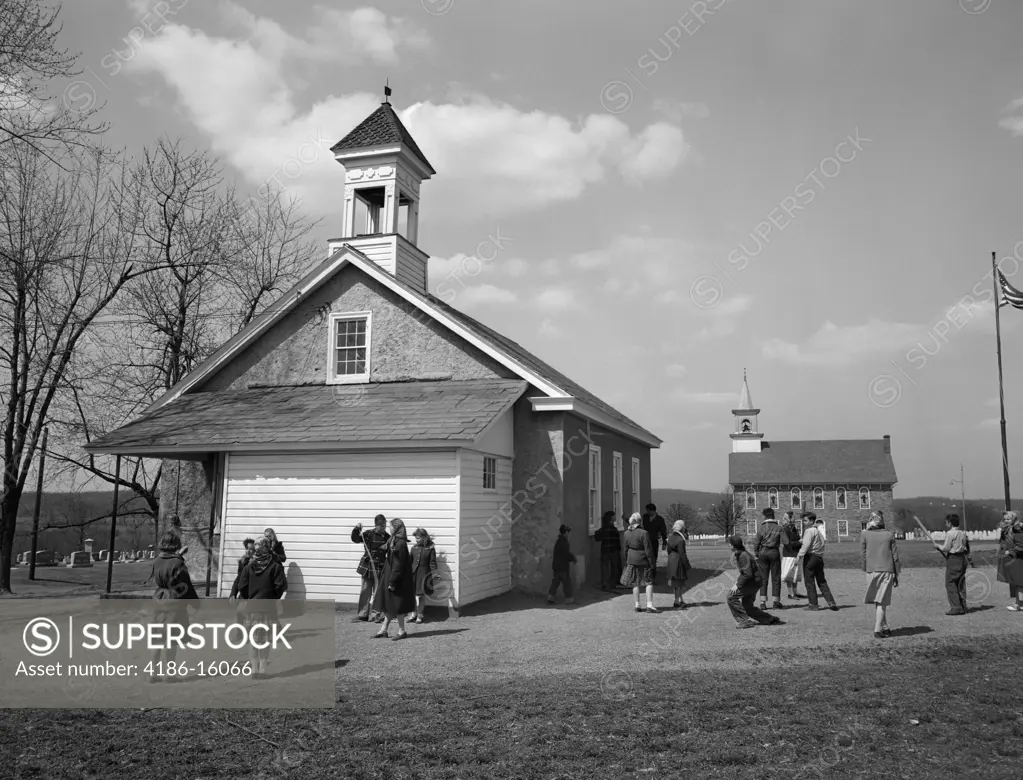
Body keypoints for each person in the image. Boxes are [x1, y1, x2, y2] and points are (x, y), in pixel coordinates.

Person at [149, 530, 199, 683]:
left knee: (157, 640)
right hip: (174, 601)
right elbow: (185, 584)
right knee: (171, 641)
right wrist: (194, 601)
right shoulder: (178, 563)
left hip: (159, 598)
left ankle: (154, 673)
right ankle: (169, 674)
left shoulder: (156, 560)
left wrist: (179, 556)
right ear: (175, 544)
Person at [238, 537, 288, 678]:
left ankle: (254, 670)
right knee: (265, 641)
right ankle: (262, 670)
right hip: (268, 608)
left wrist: (251, 597)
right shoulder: (275, 567)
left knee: (254, 640)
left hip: (252, 608)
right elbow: (280, 586)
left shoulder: (248, 567)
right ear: (268, 548)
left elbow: (242, 587)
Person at [372, 518, 416, 640]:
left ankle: (402, 631)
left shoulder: (400, 544)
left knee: (397, 605)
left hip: (397, 579)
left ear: (396, 528)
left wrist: (393, 581)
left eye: (391, 526)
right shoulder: (392, 540)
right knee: (389, 604)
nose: (389, 528)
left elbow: (399, 564)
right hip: (390, 575)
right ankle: (384, 629)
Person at [860, 511, 900, 638]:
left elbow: (863, 554)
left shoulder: (864, 534)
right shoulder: (889, 535)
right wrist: (896, 574)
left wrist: (865, 568)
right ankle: (877, 629)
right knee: (882, 600)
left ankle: (885, 626)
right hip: (887, 569)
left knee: (879, 600)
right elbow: (895, 557)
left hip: (871, 570)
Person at [727, 535, 780, 629]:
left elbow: (747, 574)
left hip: (752, 582)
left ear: (732, 546)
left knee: (731, 597)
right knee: (747, 606)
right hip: (755, 581)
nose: (728, 545)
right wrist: (737, 583)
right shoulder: (741, 553)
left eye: (729, 544)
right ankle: (769, 618)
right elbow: (745, 572)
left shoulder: (743, 555)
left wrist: (738, 585)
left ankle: (744, 621)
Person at [351, 515, 390, 623]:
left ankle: (376, 615)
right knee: (365, 590)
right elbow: (355, 539)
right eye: (381, 525)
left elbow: (391, 552)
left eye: (385, 525)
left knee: (377, 592)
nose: (383, 527)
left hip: (380, 567)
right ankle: (363, 614)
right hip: (368, 566)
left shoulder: (387, 537)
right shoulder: (368, 534)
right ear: (376, 525)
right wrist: (356, 529)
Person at [797, 513, 838, 611]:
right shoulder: (818, 532)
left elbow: (806, 545)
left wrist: (799, 556)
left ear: (812, 521)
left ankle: (813, 604)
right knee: (821, 581)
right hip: (819, 557)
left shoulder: (808, 531)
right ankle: (831, 602)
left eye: (805, 520)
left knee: (809, 581)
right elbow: (822, 543)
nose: (804, 522)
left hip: (810, 557)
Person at [621, 512, 658, 613]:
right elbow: (648, 550)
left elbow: (625, 548)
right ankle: (649, 605)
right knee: (648, 582)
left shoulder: (626, 533)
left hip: (631, 559)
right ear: (639, 521)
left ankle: (637, 605)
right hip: (643, 559)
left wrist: (627, 559)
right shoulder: (644, 533)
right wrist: (652, 563)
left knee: (635, 583)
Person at [935, 513, 970, 616]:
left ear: (950, 523)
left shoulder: (950, 533)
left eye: (946, 522)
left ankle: (956, 607)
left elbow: (946, 548)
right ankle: (963, 605)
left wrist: (938, 546)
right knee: (960, 582)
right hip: (962, 557)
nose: (945, 524)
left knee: (950, 582)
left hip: (954, 558)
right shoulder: (963, 533)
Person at [754, 507, 784, 611]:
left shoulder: (761, 528)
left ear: (764, 516)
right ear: (773, 515)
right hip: (774, 552)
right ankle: (776, 601)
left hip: (763, 552)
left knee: (763, 578)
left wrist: (756, 554)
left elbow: (756, 542)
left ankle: (763, 602)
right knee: (776, 577)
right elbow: (786, 541)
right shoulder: (779, 528)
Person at [407, 527, 438, 623]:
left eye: (418, 538)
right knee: (411, 595)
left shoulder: (430, 548)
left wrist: (435, 573)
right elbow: (409, 562)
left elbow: (432, 563)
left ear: (424, 537)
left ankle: (420, 615)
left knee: (420, 596)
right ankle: (413, 614)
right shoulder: (414, 548)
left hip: (424, 575)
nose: (416, 540)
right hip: (413, 575)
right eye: (416, 538)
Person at [997, 511, 1023, 612]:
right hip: (1012, 559)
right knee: (1017, 583)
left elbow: (1021, 545)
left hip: (1017, 559)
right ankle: (1019, 603)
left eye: (1008, 519)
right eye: (1005, 519)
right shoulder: (1007, 530)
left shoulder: (1016, 530)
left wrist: (1010, 551)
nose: (1006, 521)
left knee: (1019, 582)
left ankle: (1019, 604)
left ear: (1013, 519)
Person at [665, 520, 691, 609]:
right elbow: (682, 554)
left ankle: (680, 600)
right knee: (679, 583)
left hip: (671, 560)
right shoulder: (680, 540)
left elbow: (668, 550)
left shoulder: (670, 537)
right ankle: (677, 601)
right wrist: (687, 565)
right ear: (682, 528)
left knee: (675, 583)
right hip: (678, 561)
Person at [594, 511, 623, 591]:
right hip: (613, 550)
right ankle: (612, 583)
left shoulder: (604, 529)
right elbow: (617, 541)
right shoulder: (614, 529)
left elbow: (597, 537)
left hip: (605, 550)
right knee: (614, 567)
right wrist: (618, 550)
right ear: (610, 519)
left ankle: (605, 584)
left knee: (605, 567)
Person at [548, 524, 577, 604]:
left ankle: (550, 597)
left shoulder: (558, 541)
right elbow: (566, 554)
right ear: (566, 532)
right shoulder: (564, 542)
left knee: (555, 582)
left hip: (556, 566)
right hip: (563, 566)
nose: (569, 535)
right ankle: (569, 598)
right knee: (566, 582)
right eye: (568, 532)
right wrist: (573, 558)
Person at [780, 511, 804, 600]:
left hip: (796, 553)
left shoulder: (794, 529)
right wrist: (799, 542)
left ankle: (795, 592)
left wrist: (801, 541)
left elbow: (797, 540)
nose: (791, 520)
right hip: (789, 554)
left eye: (792, 518)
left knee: (795, 574)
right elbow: (787, 544)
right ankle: (790, 594)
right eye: (789, 518)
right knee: (789, 574)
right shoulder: (784, 529)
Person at [642, 504, 668, 583]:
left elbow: (664, 531)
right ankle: (645, 577)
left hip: (653, 541)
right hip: (644, 541)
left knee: (653, 559)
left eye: (648, 511)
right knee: (645, 558)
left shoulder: (660, 519)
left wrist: (664, 543)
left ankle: (652, 578)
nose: (647, 512)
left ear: (652, 510)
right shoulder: (645, 517)